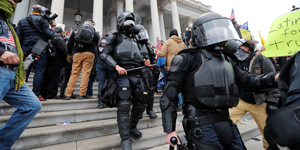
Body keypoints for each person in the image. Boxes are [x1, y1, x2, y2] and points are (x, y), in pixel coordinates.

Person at [160, 12, 245, 149]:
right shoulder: (187, 58)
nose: (217, 34)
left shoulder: (225, 59)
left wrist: (275, 77)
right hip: (201, 124)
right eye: (212, 31)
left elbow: (247, 81)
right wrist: (170, 130)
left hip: (225, 120)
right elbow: (169, 95)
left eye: (219, 31)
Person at [99, 11, 152, 150]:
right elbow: (104, 54)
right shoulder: (114, 37)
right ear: (120, 24)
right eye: (127, 22)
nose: (130, 25)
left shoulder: (137, 39)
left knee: (141, 103)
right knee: (124, 106)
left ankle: (132, 127)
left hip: (137, 73)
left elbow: (141, 56)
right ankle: (125, 139)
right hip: (122, 74)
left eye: (132, 22)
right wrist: (116, 66)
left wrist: (145, 62)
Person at [0, 0, 42, 149]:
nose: (14, 2)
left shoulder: (8, 21)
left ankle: (2, 144)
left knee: (33, 105)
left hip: (12, 72)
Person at [229, 39, 276, 149]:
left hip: (259, 102)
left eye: (240, 48)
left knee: (267, 132)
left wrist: (273, 101)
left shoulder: (261, 60)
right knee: (225, 123)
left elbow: (273, 81)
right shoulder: (235, 60)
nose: (238, 51)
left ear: (247, 49)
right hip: (241, 100)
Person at [16, 4, 55, 101]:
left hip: (26, 46)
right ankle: (35, 94)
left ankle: (20, 92)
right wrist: (53, 27)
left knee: (25, 70)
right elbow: (49, 35)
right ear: (41, 12)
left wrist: (19, 50)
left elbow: (19, 37)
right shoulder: (43, 20)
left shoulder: (22, 21)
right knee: (39, 71)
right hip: (40, 46)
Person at [64, 19, 100, 100]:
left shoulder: (76, 31)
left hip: (77, 53)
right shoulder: (94, 32)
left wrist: (69, 54)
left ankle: (68, 94)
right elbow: (98, 44)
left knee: (74, 74)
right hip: (89, 54)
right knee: (85, 74)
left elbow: (70, 43)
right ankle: (82, 94)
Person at [136, 24, 160, 119]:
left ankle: (150, 109)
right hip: (137, 70)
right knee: (138, 92)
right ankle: (139, 111)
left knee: (150, 91)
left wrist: (155, 67)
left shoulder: (147, 45)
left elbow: (153, 57)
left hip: (147, 70)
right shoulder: (133, 43)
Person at [41, 27, 67, 99]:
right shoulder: (59, 38)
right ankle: (51, 94)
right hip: (57, 61)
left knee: (48, 77)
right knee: (54, 79)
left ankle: (45, 93)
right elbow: (63, 50)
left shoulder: (49, 38)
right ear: (61, 32)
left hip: (49, 60)